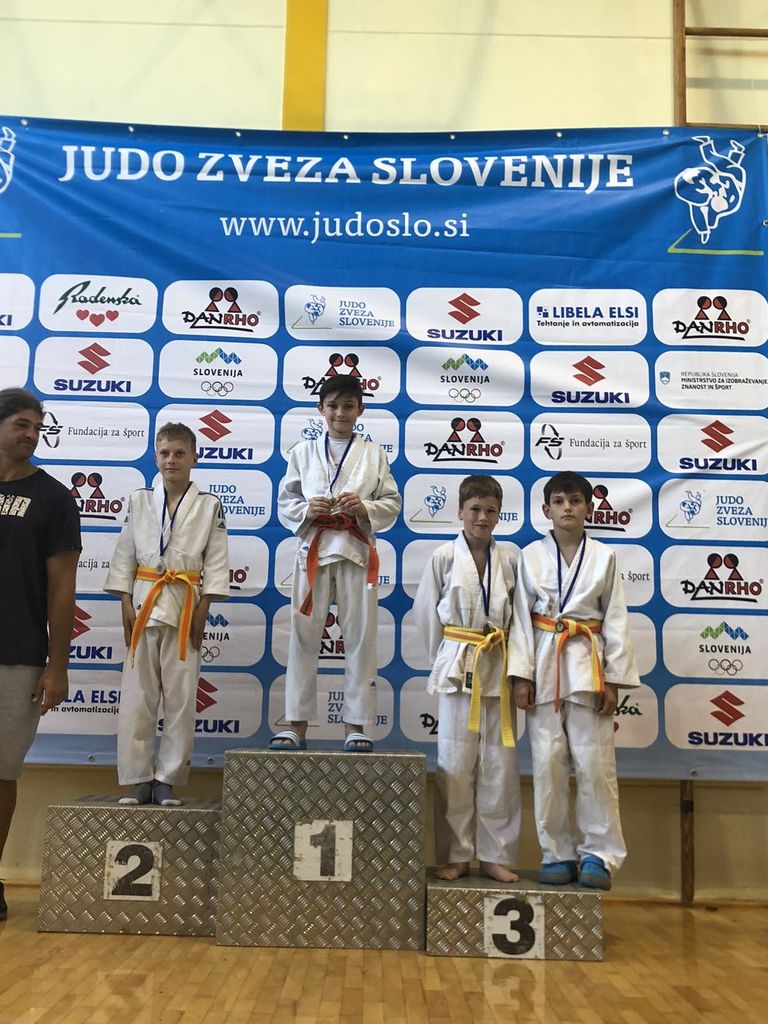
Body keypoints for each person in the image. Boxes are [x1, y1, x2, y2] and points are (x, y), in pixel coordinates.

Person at [508, 471, 639, 891]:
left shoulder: (604, 557)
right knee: (547, 764)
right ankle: (557, 853)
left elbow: (616, 619)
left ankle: (599, 853)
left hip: (587, 664)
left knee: (594, 764)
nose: (568, 507)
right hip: (544, 664)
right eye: (559, 501)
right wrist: (521, 675)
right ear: (546, 510)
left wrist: (613, 679)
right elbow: (519, 621)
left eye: (576, 501)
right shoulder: (529, 556)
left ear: (589, 508)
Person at [273, 374, 401, 752]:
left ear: (360, 409)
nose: (340, 413)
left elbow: (391, 502)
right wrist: (306, 510)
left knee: (360, 637)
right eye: (332, 406)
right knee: (303, 636)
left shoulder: (374, 454)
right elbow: (286, 501)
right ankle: (296, 724)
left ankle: (355, 725)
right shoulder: (302, 453)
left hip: (355, 551)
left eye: (348, 406)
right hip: (314, 549)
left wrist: (365, 507)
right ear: (320, 409)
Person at [105, 422, 229, 806]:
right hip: (144, 602)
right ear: (155, 457)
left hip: (185, 604)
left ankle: (167, 780)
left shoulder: (209, 505)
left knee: (181, 698)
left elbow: (217, 560)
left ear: (194, 458)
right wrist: (124, 602)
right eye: (164, 453)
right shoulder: (139, 499)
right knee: (137, 697)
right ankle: (139, 778)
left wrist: (204, 608)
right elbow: (125, 554)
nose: (171, 460)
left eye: (179, 453)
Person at [412, 475, 521, 883]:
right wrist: (445, 659)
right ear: (460, 512)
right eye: (475, 509)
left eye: (491, 510)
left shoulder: (510, 559)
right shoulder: (444, 556)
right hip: (459, 667)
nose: (482, 517)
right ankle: (456, 854)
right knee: (455, 764)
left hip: (499, 664)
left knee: (499, 766)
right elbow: (426, 615)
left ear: (499, 514)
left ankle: (494, 854)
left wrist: (519, 670)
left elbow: (520, 618)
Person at [0, 388, 80, 920]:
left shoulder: (53, 498)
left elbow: (62, 588)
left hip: (17, 654)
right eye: (21, 424)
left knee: (1, 774)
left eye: (37, 427)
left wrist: (57, 665)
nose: (31, 434)